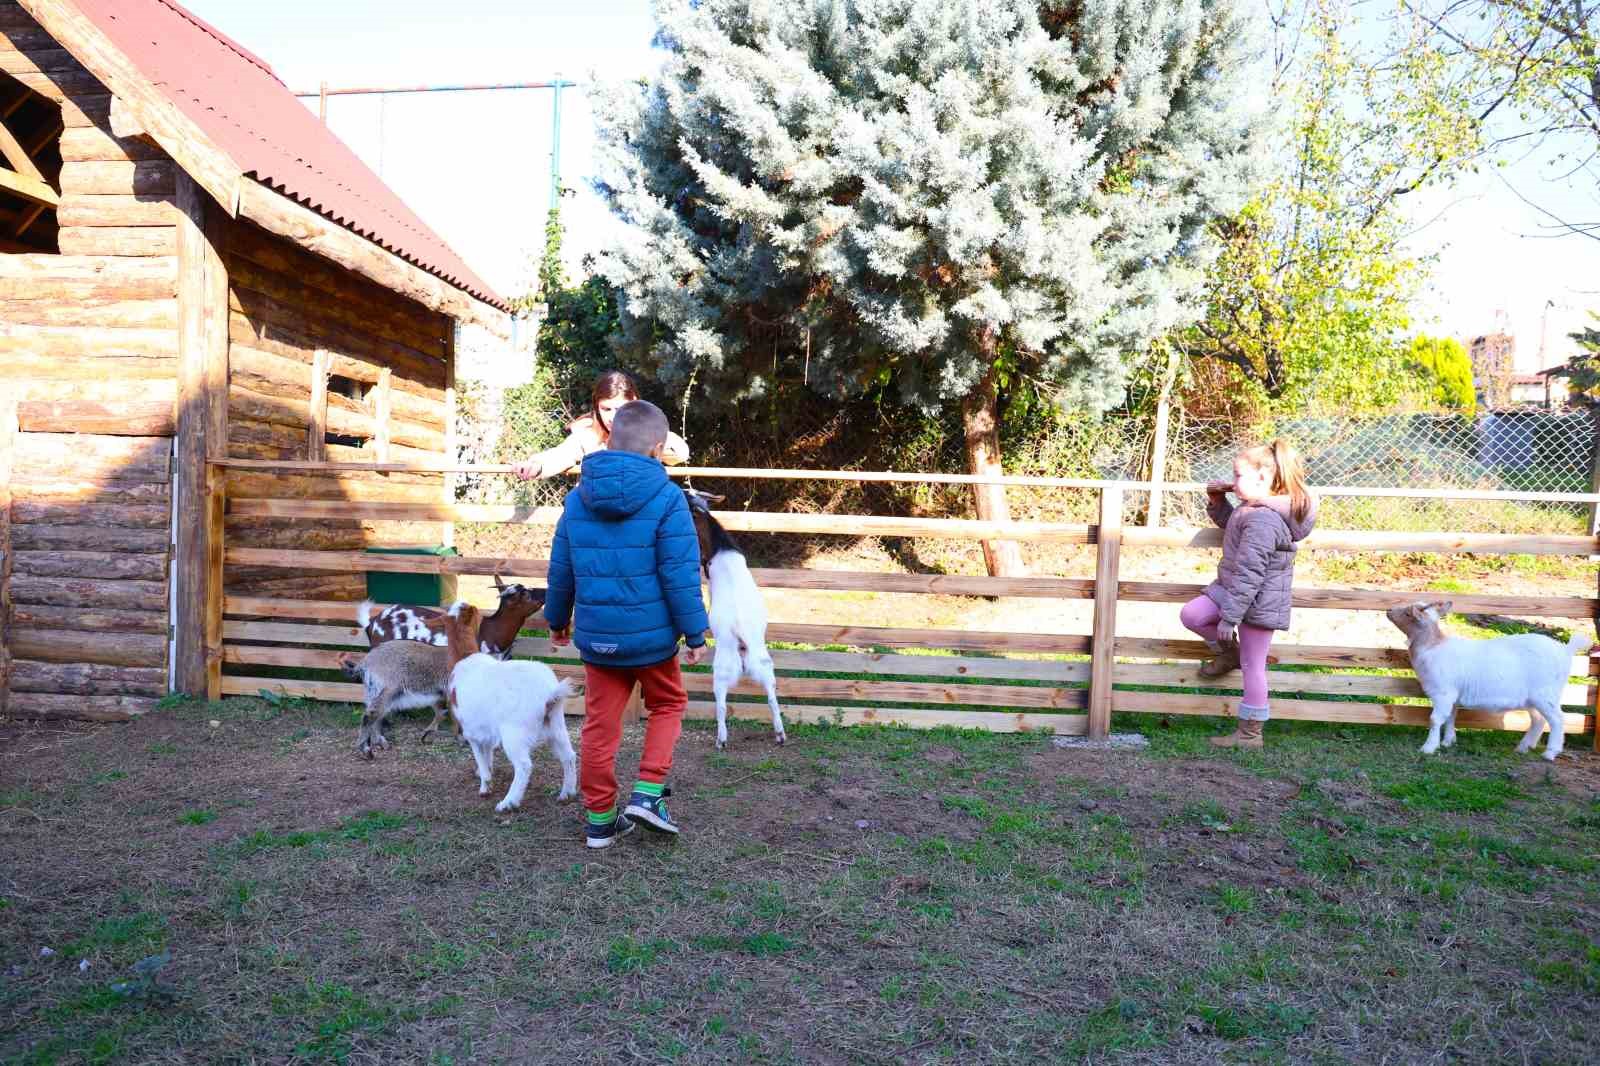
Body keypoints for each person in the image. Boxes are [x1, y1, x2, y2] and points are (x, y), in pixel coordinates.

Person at [541, 400, 710, 849]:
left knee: (600, 724)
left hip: (597, 640)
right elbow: (680, 572)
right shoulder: (668, 497)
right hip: (653, 641)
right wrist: (695, 633)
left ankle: (600, 820)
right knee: (669, 704)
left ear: (610, 439)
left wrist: (557, 620)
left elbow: (562, 569)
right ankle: (649, 794)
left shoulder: (577, 498)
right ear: (658, 449)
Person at [1179, 439, 1318, 749]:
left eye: (1238, 474)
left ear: (1263, 478)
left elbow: (1250, 572)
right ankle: (1230, 653)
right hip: (1233, 590)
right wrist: (1218, 501)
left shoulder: (1263, 518)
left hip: (1257, 601)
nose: (1232, 480)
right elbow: (1234, 527)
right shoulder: (1253, 509)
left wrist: (1229, 618)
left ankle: (1250, 734)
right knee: (1193, 615)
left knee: (1254, 667)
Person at [512, 370, 690, 480]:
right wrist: (536, 465)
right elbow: (560, 455)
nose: (613, 417)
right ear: (597, 407)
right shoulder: (588, 436)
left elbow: (680, 453)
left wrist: (644, 433)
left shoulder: (649, 432)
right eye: (606, 409)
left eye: (619, 409)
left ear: (634, 402)